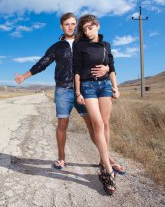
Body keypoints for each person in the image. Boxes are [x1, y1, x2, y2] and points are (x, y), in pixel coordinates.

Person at [14, 13, 108, 170]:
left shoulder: (84, 42)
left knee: (93, 125)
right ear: (61, 26)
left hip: (84, 89)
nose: (70, 27)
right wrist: (24, 76)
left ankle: (105, 158)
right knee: (62, 124)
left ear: (76, 25)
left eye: (73, 24)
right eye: (67, 24)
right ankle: (61, 158)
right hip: (63, 90)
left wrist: (106, 67)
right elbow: (42, 63)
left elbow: (101, 56)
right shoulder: (57, 47)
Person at [73, 14, 121, 195]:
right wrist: (78, 93)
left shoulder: (106, 45)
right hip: (88, 87)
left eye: (90, 27)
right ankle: (108, 169)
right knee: (98, 124)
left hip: (105, 86)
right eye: (84, 29)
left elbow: (112, 67)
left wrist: (115, 87)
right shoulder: (80, 45)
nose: (87, 31)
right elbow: (76, 70)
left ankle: (103, 162)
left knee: (106, 124)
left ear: (97, 26)